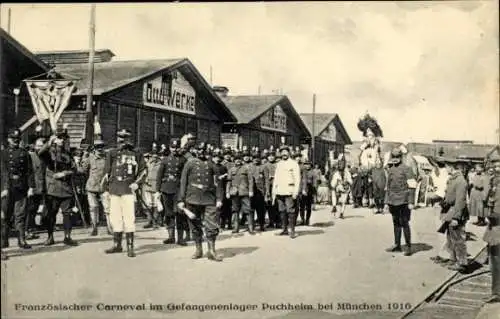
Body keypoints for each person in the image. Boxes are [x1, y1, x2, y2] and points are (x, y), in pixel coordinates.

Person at [177, 142, 224, 261]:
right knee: (194, 225)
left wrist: (219, 198)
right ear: (195, 151)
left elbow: (218, 183)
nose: (201, 152)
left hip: (209, 198)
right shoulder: (189, 164)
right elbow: (183, 182)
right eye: (199, 150)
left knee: (211, 225)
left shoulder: (212, 164)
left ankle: (211, 251)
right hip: (192, 198)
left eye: (204, 150)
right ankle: (198, 249)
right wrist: (181, 199)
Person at [104, 129, 146, 258]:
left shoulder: (136, 153)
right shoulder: (112, 153)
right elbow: (107, 173)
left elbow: (143, 171)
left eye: (125, 138)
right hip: (115, 189)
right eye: (120, 138)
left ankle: (130, 247)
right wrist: (106, 190)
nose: (122, 140)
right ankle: (117, 245)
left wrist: (137, 183)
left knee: (129, 218)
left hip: (128, 189)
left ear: (129, 139)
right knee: (115, 218)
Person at [37, 126, 78, 246]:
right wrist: (49, 142)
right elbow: (40, 153)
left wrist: (64, 173)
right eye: (59, 138)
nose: (62, 141)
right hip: (53, 189)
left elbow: (74, 170)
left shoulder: (68, 154)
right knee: (51, 214)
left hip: (66, 188)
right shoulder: (48, 153)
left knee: (67, 214)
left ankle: (67, 237)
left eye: (64, 138)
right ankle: (50, 237)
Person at [1, 129, 35, 250]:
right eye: (13, 139)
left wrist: (31, 187)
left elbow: (29, 172)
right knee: (5, 215)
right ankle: (4, 240)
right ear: (8, 139)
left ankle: (21, 240)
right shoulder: (3, 154)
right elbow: (3, 172)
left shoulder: (24, 153)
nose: (15, 141)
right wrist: (4, 188)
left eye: (17, 139)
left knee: (20, 215)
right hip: (7, 188)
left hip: (21, 188)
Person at [384, 148, 417, 256]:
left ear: (401, 157)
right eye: (393, 157)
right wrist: (386, 202)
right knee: (396, 223)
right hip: (393, 200)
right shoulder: (391, 170)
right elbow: (387, 187)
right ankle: (397, 245)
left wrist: (411, 202)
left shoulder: (407, 169)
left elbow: (412, 186)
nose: (395, 159)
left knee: (404, 223)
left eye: (397, 157)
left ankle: (408, 247)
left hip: (404, 200)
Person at [440, 158, 470, 271]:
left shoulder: (460, 181)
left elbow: (460, 201)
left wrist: (456, 218)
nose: (445, 169)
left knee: (458, 238)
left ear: (451, 167)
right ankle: (453, 259)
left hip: (456, 212)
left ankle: (462, 263)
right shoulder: (454, 179)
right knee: (451, 237)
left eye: (446, 166)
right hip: (450, 211)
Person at [157, 138, 188, 245]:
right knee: (168, 213)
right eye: (173, 147)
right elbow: (159, 176)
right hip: (166, 189)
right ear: (169, 147)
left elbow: (185, 177)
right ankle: (171, 237)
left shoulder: (183, 160)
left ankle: (180, 238)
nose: (175, 149)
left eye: (177, 147)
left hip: (178, 189)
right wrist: (157, 190)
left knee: (180, 212)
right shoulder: (164, 160)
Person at [80, 138, 112, 236]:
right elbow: (82, 170)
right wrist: (83, 159)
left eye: (101, 147)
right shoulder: (90, 157)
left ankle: (110, 228)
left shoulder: (108, 158)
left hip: (105, 187)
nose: (100, 149)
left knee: (108, 208)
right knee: (93, 208)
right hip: (92, 186)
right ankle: (94, 228)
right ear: (94, 148)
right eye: (98, 147)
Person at [272, 145, 301, 239]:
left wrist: (296, 191)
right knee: (282, 211)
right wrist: (274, 191)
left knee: (291, 211)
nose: (284, 154)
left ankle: (292, 230)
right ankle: (284, 229)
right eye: (282, 152)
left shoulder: (294, 164)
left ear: (289, 153)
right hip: (280, 190)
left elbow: (297, 179)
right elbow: (276, 179)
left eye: (286, 152)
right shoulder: (279, 164)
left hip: (289, 190)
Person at [483, 161, 500, 303]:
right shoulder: (494, 184)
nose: (496, 169)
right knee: (494, 260)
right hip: (494, 228)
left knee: (496, 260)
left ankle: (497, 292)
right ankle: (496, 292)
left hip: (498, 226)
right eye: (494, 166)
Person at [227, 149, 254, 234]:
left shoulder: (246, 168)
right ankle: (236, 228)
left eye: (239, 159)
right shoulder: (231, 170)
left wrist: (251, 190)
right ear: (233, 160)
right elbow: (229, 181)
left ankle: (251, 228)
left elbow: (250, 180)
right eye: (236, 159)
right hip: (234, 192)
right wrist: (227, 192)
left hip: (245, 192)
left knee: (248, 210)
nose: (237, 161)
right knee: (235, 210)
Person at [26, 137, 46, 239]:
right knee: (30, 209)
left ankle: (32, 229)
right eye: (38, 146)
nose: (39, 148)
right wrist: (30, 187)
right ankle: (27, 231)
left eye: (41, 146)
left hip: (41, 187)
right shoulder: (30, 156)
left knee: (35, 209)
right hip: (33, 187)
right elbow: (29, 173)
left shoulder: (44, 157)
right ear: (34, 146)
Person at [142, 141, 163, 229]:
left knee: (156, 204)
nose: (154, 156)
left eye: (156, 155)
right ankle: (150, 220)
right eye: (152, 155)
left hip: (156, 186)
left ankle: (155, 222)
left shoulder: (161, 163)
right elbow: (144, 172)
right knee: (148, 204)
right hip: (147, 185)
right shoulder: (147, 163)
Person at [251, 148, 269, 231]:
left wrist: (267, 191)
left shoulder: (263, 167)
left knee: (260, 209)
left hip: (261, 191)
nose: (256, 160)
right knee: (251, 209)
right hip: (251, 191)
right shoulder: (249, 167)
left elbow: (267, 180)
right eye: (254, 158)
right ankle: (251, 226)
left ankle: (261, 225)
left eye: (257, 158)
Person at [265, 148, 279, 229]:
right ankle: (271, 221)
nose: (271, 157)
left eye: (272, 156)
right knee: (269, 205)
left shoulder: (277, 165)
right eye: (269, 156)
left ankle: (278, 222)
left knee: (277, 204)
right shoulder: (265, 165)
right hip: (268, 187)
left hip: (276, 187)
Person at [299, 160, 315, 225]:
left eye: (308, 164)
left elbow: (315, 182)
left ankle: (307, 220)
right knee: (301, 206)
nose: (307, 166)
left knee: (308, 207)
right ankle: (302, 220)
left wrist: (314, 191)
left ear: (311, 165)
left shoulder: (313, 172)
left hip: (310, 191)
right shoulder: (301, 172)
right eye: (306, 164)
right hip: (302, 190)